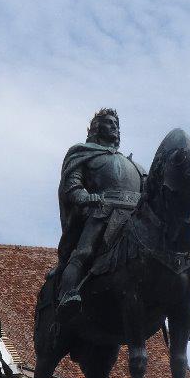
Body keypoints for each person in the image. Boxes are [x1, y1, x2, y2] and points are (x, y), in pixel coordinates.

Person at [46, 108, 145, 324]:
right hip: (102, 212)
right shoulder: (83, 154)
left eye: (117, 124)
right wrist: (87, 197)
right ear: (96, 128)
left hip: (133, 218)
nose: (115, 128)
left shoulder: (135, 166)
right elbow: (72, 187)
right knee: (84, 252)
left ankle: (185, 312)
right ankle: (67, 294)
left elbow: (153, 193)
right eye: (109, 123)